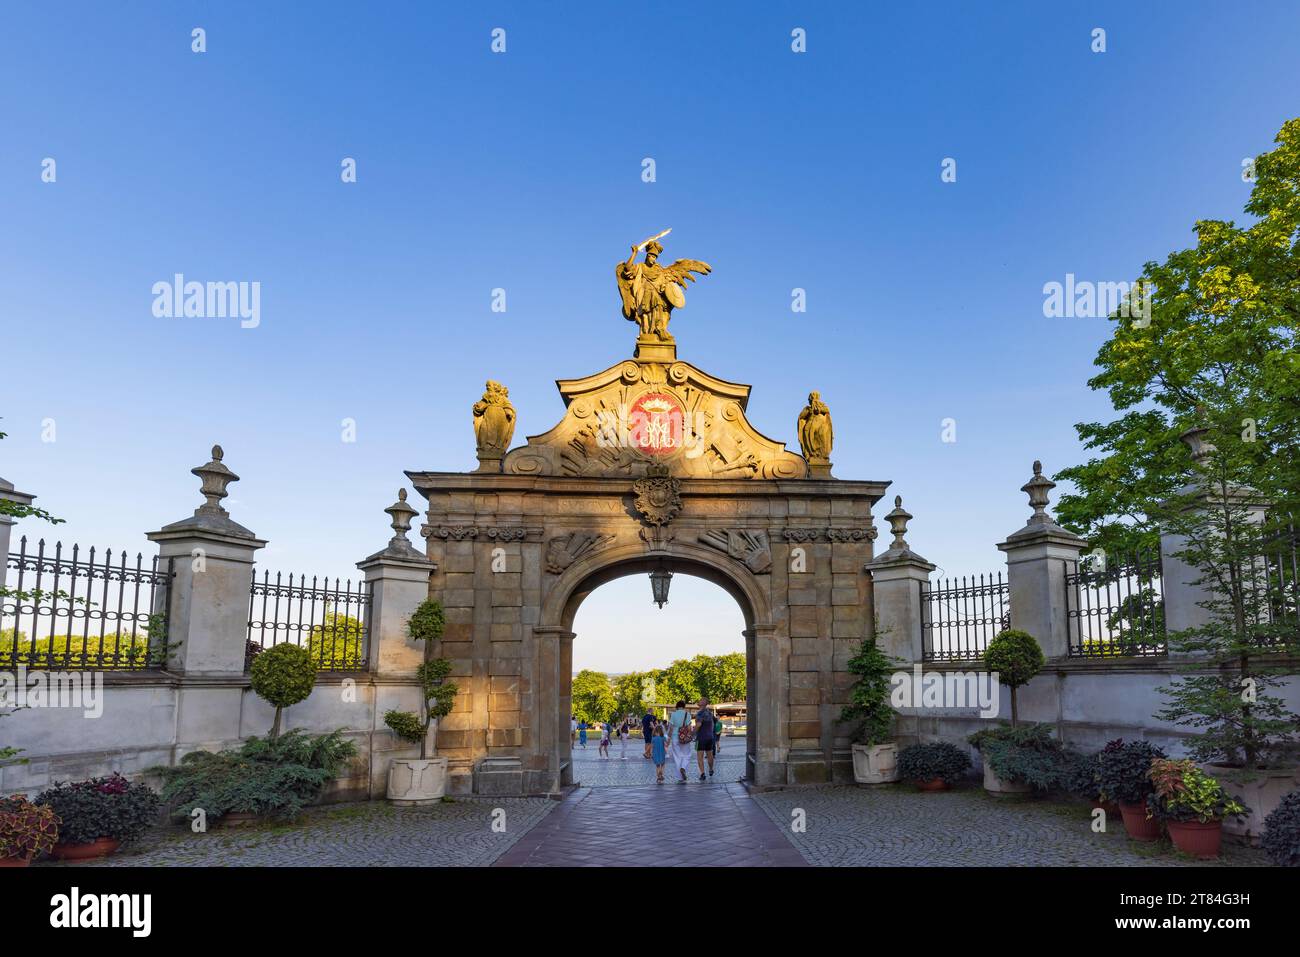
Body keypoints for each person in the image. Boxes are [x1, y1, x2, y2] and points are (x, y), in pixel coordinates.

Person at [668, 700, 693, 784]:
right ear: (684, 706)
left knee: (677, 757)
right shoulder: (687, 714)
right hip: (684, 737)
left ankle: (680, 778)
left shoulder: (673, 714)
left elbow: (671, 728)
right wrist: (691, 736)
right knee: (687, 754)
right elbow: (689, 727)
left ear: (677, 706)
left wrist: (668, 738)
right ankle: (683, 767)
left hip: (675, 737)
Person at [694, 696, 717, 781]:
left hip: (701, 738)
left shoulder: (699, 714)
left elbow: (698, 725)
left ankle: (702, 773)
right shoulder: (710, 713)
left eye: (700, 700)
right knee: (710, 755)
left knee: (700, 756)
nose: (698, 701)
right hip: (710, 737)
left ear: (702, 703)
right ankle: (710, 769)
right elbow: (714, 722)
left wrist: (693, 733)